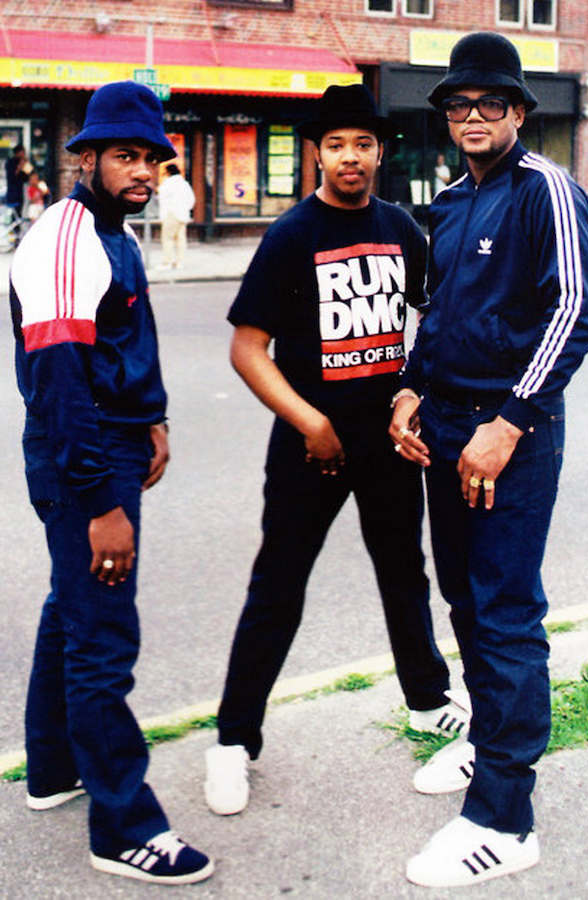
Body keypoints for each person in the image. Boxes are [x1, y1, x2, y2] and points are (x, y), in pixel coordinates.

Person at [204, 83, 471, 817]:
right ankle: (232, 741)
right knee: (279, 586)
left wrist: (412, 398)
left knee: (403, 572)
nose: (350, 156)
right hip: (307, 444)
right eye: (336, 144)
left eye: (363, 143)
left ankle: (427, 700)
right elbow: (248, 350)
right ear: (317, 153)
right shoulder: (293, 234)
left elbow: (432, 323)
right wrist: (308, 421)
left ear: (380, 152)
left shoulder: (401, 229)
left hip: (385, 437)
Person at [390, 32, 588, 888]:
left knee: (506, 613)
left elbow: (577, 311)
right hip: (445, 426)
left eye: (490, 104)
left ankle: (507, 821)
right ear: (446, 118)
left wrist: (511, 421)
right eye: (458, 106)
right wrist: (409, 387)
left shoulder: (543, 188)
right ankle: (487, 748)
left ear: (518, 112)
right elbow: (436, 311)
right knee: (465, 601)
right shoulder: (451, 198)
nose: (472, 117)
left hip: (506, 433)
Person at [9, 81, 213, 886]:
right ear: (83, 157)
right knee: (103, 639)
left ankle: (53, 769)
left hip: (117, 440)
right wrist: (100, 504)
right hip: (83, 455)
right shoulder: (66, 238)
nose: (142, 171)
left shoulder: (116, 233)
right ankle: (123, 826)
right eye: (125, 156)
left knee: (72, 608)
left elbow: (126, 337)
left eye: (153, 158)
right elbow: (58, 384)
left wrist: (154, 417)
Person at [157, 163, 195, 269]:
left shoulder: (168, 183)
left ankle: (167, 262)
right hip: (183, 214)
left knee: (167, 238)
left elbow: (161, 194)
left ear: (168, 172)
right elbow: (191, 199)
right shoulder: (184, 183)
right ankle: (179, 262)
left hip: (171, 213)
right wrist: (185, 209)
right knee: (180, 239)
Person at [5, 143, 32, 235]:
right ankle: (14, 233)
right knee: (15, 216)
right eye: (22, 152)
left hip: (20, 193)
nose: (24, 154)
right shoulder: (10, 162)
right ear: (18, 153)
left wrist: (26, 166)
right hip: (13, 193)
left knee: (18, 214)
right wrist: (20, 166)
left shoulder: (24, 162)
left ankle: (17, 234)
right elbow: (12, 177)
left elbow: (27, 177)